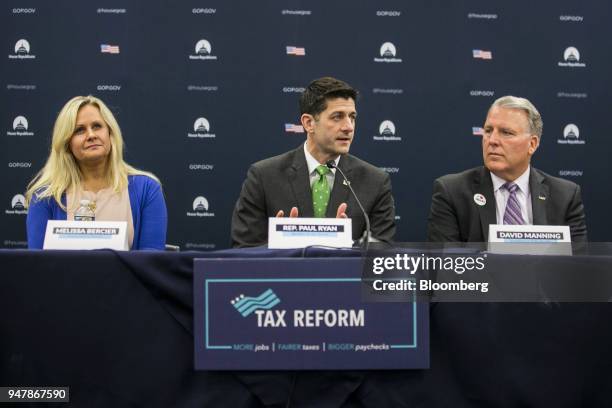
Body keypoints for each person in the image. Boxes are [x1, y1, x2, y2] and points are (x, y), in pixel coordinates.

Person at [231, 76, 396, 247]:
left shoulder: (375, 182)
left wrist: (349, 246)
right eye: (337, 117)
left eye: (352, 117)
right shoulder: (264, 177)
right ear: (309, 123)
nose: (349, 127)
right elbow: (243, 249)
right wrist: (277, 245)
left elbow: (381, 256)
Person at [427, 95, 587, 242]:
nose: (492, 140)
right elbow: (445, 266)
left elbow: (576, 267)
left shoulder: (565, 197)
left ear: (532, 144)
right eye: (488, 131)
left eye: (506, 133)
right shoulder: (452, 193)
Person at [25, 95, 167, 250]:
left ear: (110, 133)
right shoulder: (44, 198)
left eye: (97, 126)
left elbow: (151, 261)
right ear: (67, 144)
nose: (91, 135)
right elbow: (39, 266)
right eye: (79, 130)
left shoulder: (147, 190)